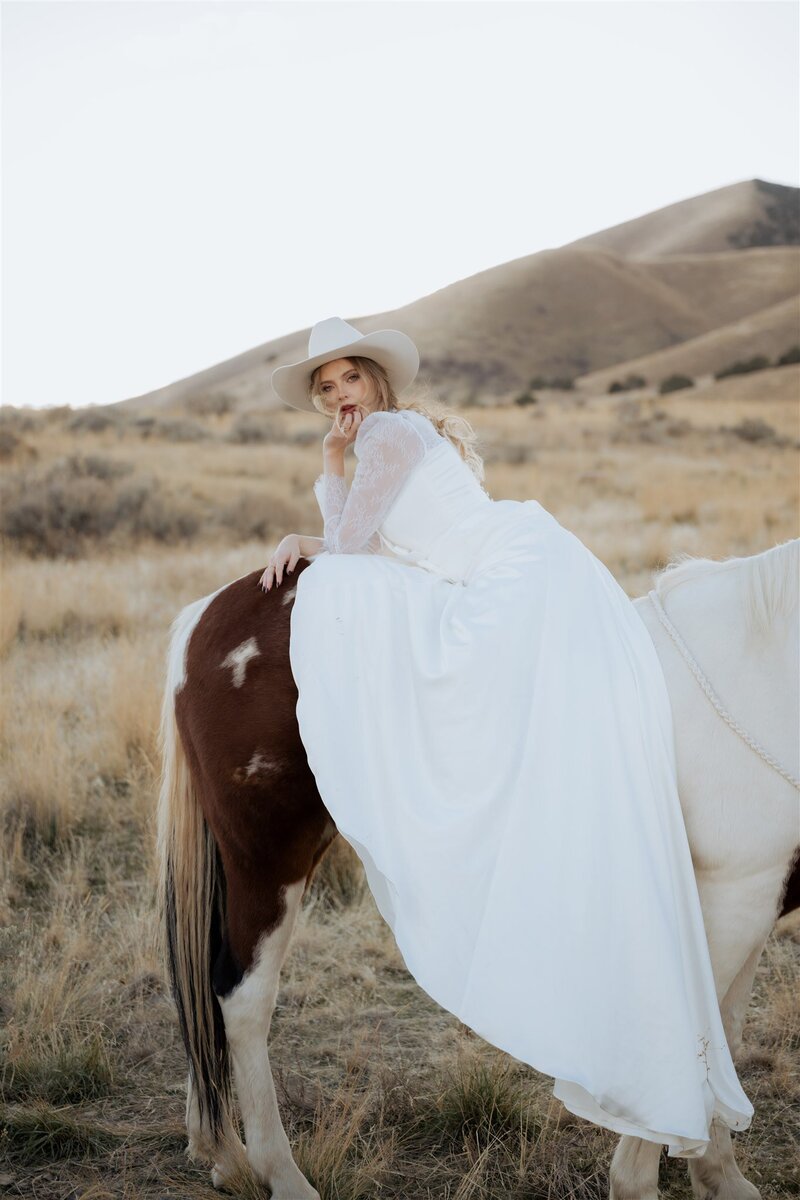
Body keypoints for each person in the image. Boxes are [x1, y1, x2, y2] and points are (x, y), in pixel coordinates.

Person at [265, 316, 754, 1159]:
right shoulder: (403, 433)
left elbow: (349, 548)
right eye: (326, 388)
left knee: (357, 615)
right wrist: (330, 501)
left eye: (350, 378)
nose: (341, 395)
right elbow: (374, 539)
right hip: (522, 559)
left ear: (377, 381)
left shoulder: (386, 432)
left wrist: (327, 477)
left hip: (505, 576)